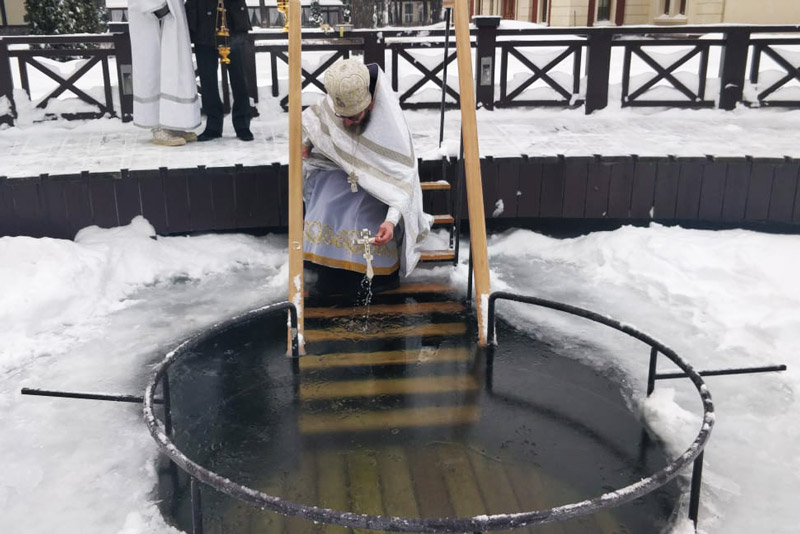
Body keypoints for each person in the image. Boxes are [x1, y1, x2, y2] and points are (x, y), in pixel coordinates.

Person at [301, 59, 433, 295]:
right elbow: (318, 120)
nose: (347, 123)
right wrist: (308, 141)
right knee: (326, 202)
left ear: (370, 105)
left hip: (375, 191)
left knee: (363, 215)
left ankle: (370, 280)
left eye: (353, 117)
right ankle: (327, 272)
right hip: (336, 171)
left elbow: (402, 183)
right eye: (343, 118)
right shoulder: (339, 96)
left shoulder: (392, 130)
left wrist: (391, 222)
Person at [127, 0, 201, 146]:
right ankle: (159, 128)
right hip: (153, 20)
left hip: (172, 18)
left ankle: (172, 124)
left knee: (174, 71)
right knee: (156, 71)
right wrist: (160, 8)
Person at [184, 0, 254, 142]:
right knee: (207, 79)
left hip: (231, 22)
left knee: (239, 77)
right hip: (202, 23)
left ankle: (242, 124)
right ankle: (213, 125)